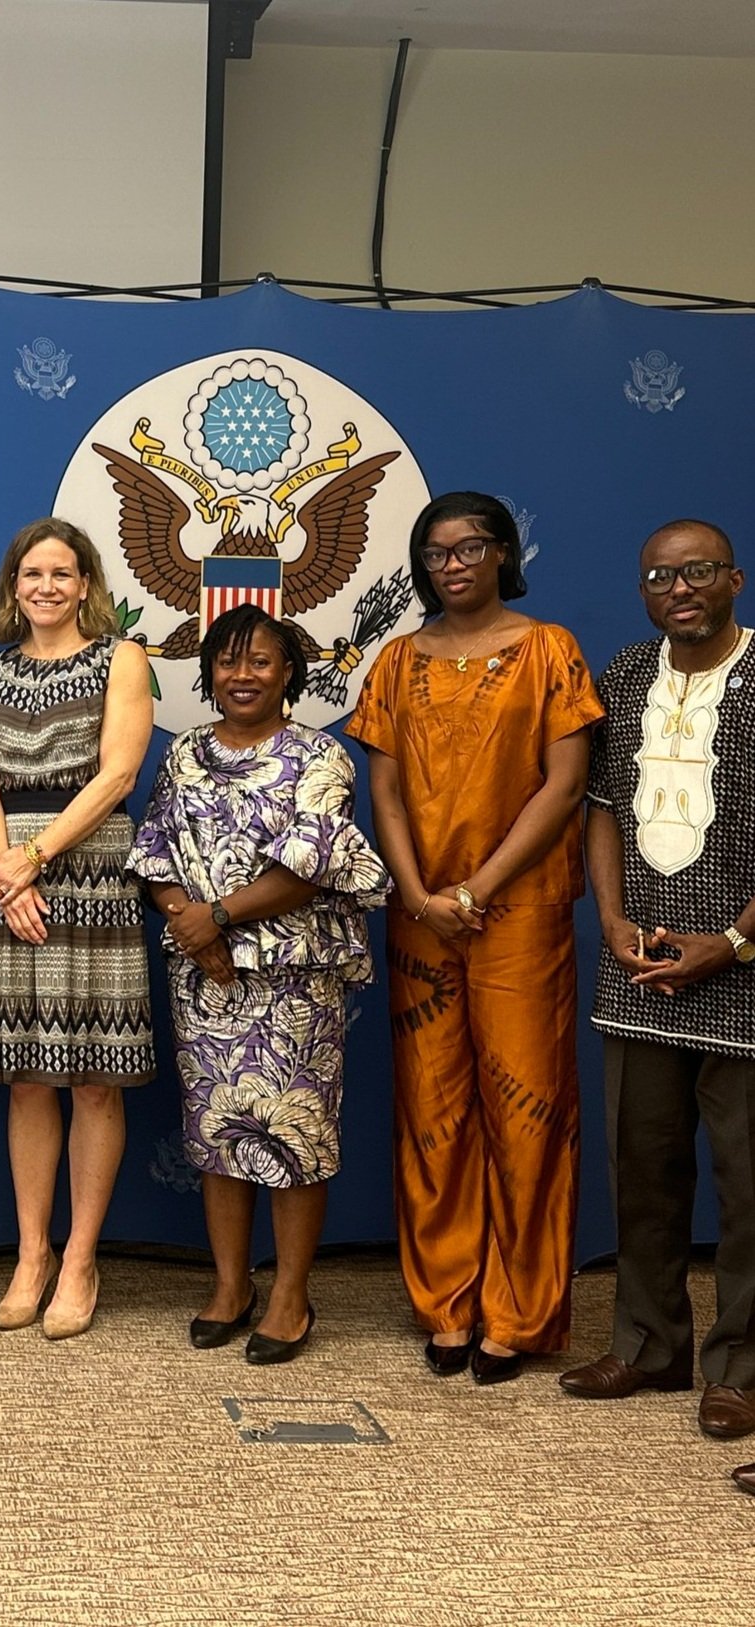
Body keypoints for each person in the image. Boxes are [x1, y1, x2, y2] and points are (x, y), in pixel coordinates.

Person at [346, 491, 602, 1384]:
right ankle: (446, 1302)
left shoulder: (548, 650)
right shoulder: (391, 662)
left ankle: (516, 1312)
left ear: (501, 554)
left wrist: (475, 888)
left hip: (515, 915)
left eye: (468, 548)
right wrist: (417, 893)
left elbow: (565, 784)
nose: (450, 565)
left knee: (526, 1113)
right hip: (419, 919)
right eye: (434, 552)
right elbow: (381, 794)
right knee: (433, 1111)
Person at [129, 608, 389, 1363]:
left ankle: (289, 1294)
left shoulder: (321, 757)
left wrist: (214, 919)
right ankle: (228, 1285)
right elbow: (154, 854)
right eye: (227, 661)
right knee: (217, 1131)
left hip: (293, 982)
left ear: (289, 674)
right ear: (207, 671)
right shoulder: (181, 754)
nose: (241, 675)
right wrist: (187, 922)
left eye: (261, 663)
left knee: (291, 1132)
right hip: (202, 980)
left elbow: (308, 864)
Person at [558, 520, 755, 1456]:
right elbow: (599, 808)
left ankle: (739, 1370)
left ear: (734, 579)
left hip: (741, 968)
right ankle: (647, 1344)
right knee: (642, 1168)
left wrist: (732, 940)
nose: (677, 587)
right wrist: (610, 917)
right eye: (658, 576)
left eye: (697, 572)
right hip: (637, 966)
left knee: (746, 1182)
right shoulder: (629, 672)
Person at [0, 517, 154, 1340]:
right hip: (9, 876)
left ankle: (79, 1259)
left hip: (90, 868)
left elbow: (117, 775)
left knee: (92, 1078)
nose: (45, 586)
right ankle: (31, 1254)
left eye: (61, 573)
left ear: (84, 586)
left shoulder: (121, 659)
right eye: (30, 573)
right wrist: (6, 874)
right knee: (28, 1076)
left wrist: (33, 856)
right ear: (13, 585)